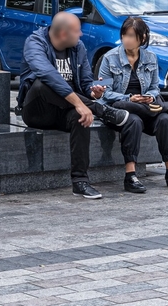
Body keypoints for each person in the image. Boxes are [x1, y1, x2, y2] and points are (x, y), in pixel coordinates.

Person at [18, 12, 129, 200]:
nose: (81, 35)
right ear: (62, 34)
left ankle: (80, 182)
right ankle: (102, 111)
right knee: (43, 83)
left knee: (81, 118)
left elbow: (85, 83)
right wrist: (85, 104)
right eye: (77, 31)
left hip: (67, 110)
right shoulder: (35, 42)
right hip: (37, 111)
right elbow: (46, 74)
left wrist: (94, 92)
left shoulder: (78, 47)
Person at [97, 17, 168, 193]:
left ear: (143, 38)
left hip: (145, 108)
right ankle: (130, 176)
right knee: (134, 121)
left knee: (164, 119)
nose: (127, 39)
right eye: (125, 35)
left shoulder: (150, 58)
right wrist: (130, 98)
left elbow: (155, 87)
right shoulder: (109, 58)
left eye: (132, 36)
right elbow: (105, 93)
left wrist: (148, 97)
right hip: (119, 108)